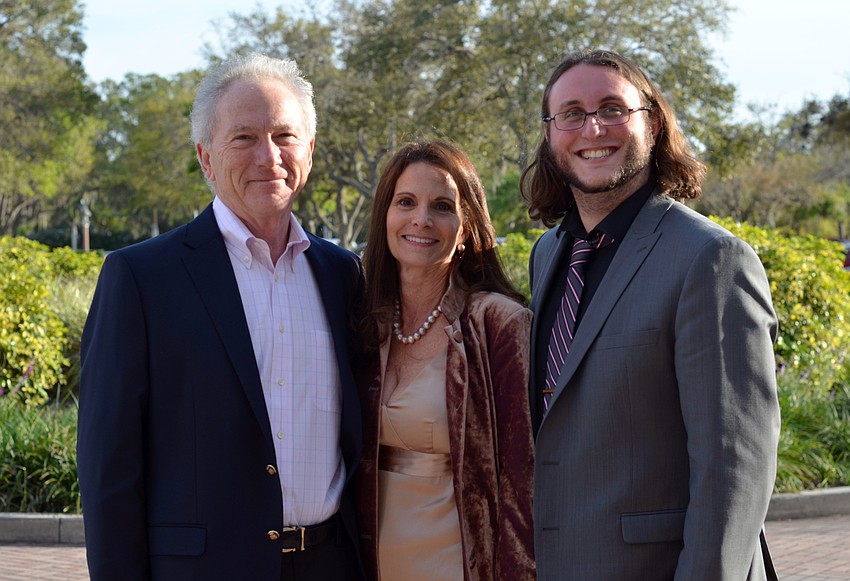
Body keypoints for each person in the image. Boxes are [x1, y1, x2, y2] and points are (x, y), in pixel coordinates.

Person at [77, 54, 365, 581]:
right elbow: (108, 470)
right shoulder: (140, 278)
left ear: (310, 150)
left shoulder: (344, 275)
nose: (268, 156)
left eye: (284, 135)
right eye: (244, 138)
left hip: (333, 566)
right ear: (205, 157)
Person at [520, 49, 781, 580]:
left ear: (653, 124)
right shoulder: (549, 253)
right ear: (550, 135)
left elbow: (734, 467)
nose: (593, 127)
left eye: (613, 108)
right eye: (570, 113)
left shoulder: (710, 259)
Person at [355, 140, 536, 580]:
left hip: (458, 561)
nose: (421, 219)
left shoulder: (497, 323)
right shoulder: (360, 322)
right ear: (385, 216)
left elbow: (523, 481)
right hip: (365, 560)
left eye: (441, 206)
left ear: (467, 227)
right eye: (406, 202)